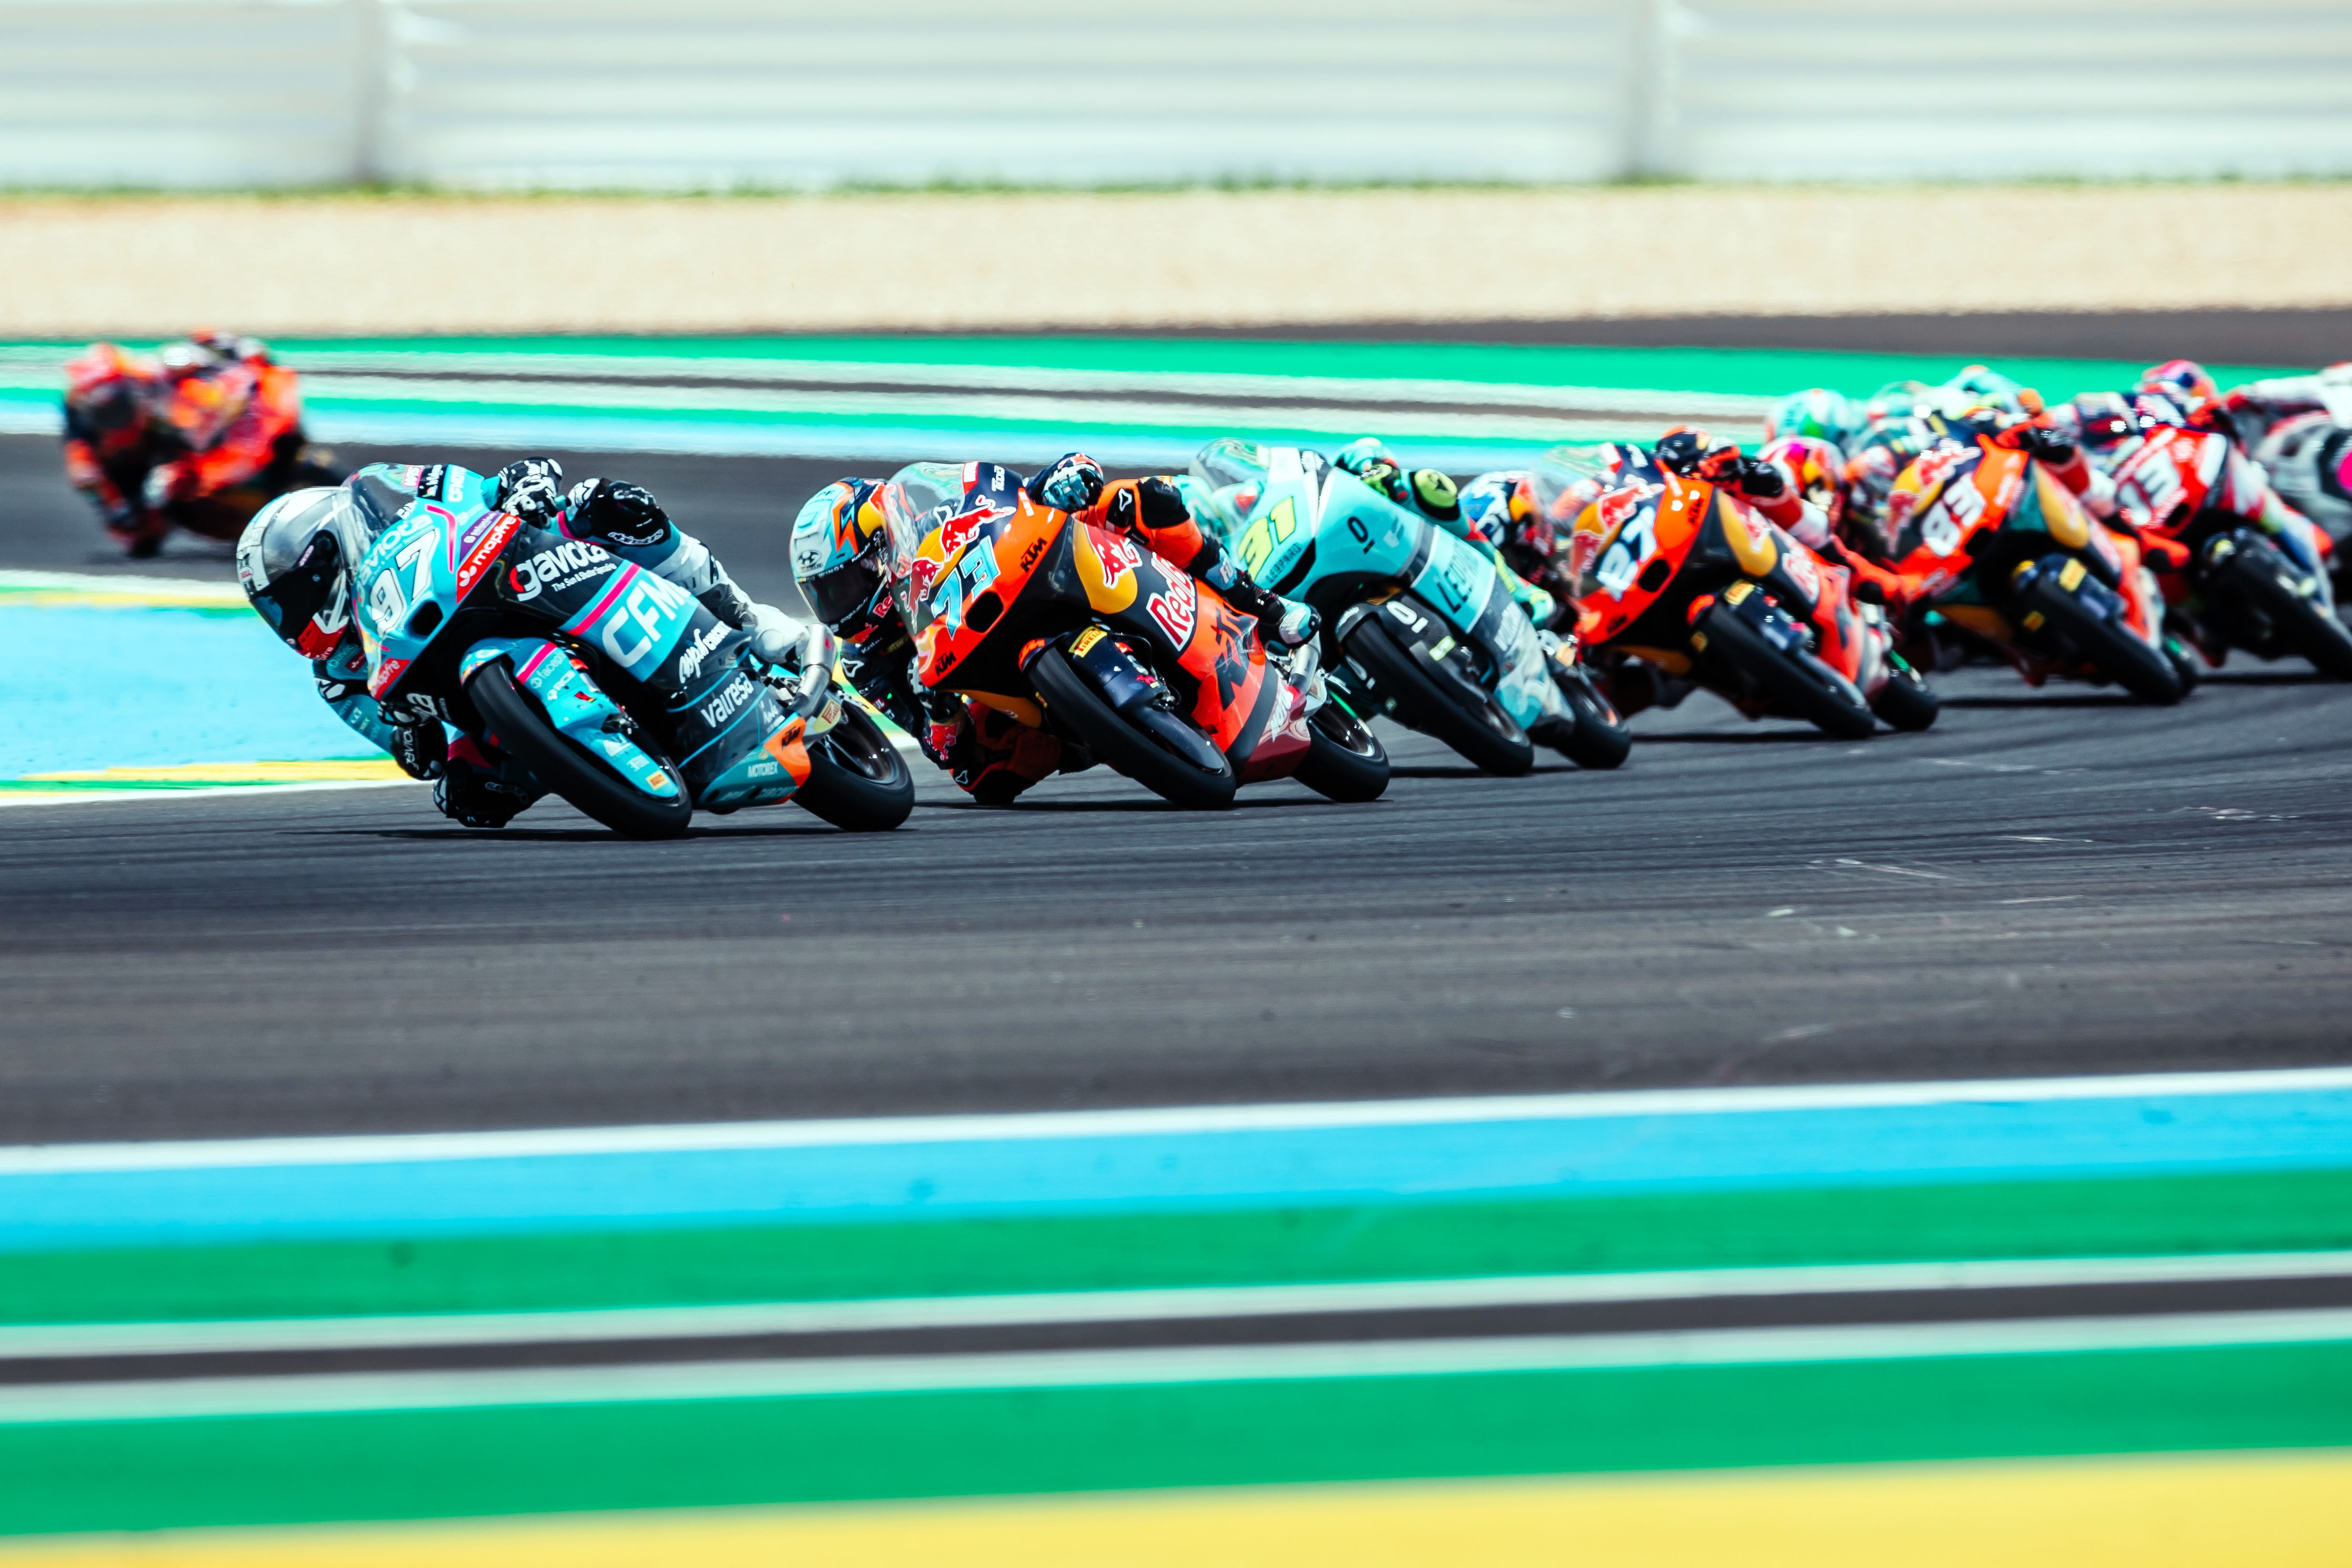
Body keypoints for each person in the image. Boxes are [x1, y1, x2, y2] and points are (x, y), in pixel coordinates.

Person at [237, 457, 818, 828]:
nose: (289, 624)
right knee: (467, 798)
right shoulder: (338, 677)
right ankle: (607, 754)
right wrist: (410, 734)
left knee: (606, 504)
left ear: (323, 561)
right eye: (274, 614)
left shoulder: (382, 492)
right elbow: (417, 756)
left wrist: (524, 485)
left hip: (509, 573)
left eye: (288, 603)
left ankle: (747, 621)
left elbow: (477, 486)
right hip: (482, 703)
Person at [791, 453, 1316, 805]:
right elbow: (946, 755)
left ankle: (1265, 606)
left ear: (882, 550)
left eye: (843, 586)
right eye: (823, 596)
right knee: (986, 781)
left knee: (1139, 500)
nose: (839, 607)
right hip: (1003, 697)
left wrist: (1060, 478)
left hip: (1035, 585)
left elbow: (1010, 497)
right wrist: (940, 713)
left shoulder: (932, 521)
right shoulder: (868, 664)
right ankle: (1099, 729)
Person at [63, 331, 330, 558]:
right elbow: (135, 539)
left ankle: (280, 475)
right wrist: (145, 504)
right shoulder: (86, 464)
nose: (115, 423)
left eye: (119, 409)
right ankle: (255, 526)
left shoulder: (159, 377)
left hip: (228, 449)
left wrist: (223, 350)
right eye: (103, 415)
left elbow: (224, 346)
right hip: (190, 492)